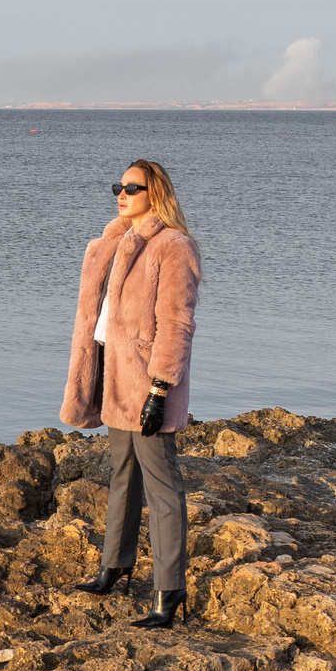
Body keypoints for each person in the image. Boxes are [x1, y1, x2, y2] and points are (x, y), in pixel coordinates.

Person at [59, 160, 201, 629]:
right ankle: (114, 566)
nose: (121, 193)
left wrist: (160, 388)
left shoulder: (172, 246)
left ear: (155, 193)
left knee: (162, 486)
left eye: (132, 187)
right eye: (117, 186)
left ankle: (168, 590)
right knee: (122, 474)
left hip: (146, 383)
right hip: (111, 378)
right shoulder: (114, 241)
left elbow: (176, 325)